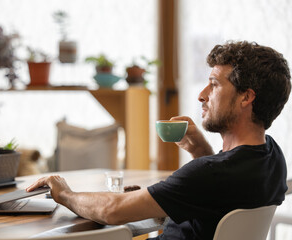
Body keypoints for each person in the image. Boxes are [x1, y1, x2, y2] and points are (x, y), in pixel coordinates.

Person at [26, 41, 291, 239]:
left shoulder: (210, 173)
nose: (202, 94)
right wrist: (201, 151)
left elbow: (112, 210)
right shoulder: (272, 158)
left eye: (214, 84)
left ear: (247, 97)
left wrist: (64, 193)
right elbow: (220, 195)